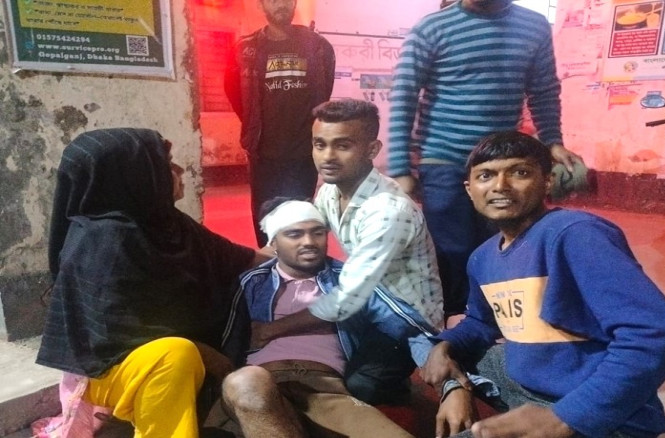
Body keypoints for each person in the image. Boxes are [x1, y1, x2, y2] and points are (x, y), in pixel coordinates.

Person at [421, 131, 665, 438]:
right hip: (530, 388)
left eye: (520, 173)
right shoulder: (483, 258)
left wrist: (565, 418)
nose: (500, 186)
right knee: (435, 352)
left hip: (596, 417)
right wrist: (445, 347)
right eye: (486, 176)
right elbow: (482, 322)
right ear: (469, 189)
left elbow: (656, 332)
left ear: (547, 181)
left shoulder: (574, 234)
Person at [34, 128, 262, 437]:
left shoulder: (165, 223)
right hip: (109, 369)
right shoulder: (104, 240)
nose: (179, 170)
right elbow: (117, 339)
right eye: (165, 163)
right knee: (174, 357)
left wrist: (301, 243)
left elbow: (241, 258)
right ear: (133, 176)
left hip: (160, 356)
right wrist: (211, 356)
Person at [387, 0, 583, 321]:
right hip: (443, 159)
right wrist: (399, 167)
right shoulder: (432, 29)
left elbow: (544, 90)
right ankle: (454, 321)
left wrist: (553, 142)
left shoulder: (534, 26)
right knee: (451, 249)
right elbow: (404, 94)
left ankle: (493, 319)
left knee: (503, 242)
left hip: (502, 162)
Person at [220, 198, 475, 438]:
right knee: (247, 382)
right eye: (294, 234)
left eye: (317, 232)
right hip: (257, 385)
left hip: (325, 390)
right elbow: (225, 336)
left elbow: (408, 327)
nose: (308, 241)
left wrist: (449, 386)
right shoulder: (251, 282)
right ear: (273, 242)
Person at [250, 99, 445, 405]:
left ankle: (402, 389)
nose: (327, 156)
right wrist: (237, 267)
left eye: (342, 146)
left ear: (372, 149)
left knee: (358, 386)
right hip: (363, 304)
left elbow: (346, 300)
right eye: (320, 144)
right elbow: (295, 239)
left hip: (403, 320)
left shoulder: (387, 211)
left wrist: (269, 330)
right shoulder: (331, 190)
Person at [224, 0, 335, 247]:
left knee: (301, 220)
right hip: (263, 154)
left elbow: (324, 92)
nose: (281, 5)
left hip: (303, 153)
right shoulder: (245, 49)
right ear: (261, 5)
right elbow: (234, 93)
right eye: (273, 0)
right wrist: (253, 124)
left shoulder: (319, 47)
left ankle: (297, 269)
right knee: (265, 222)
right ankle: (269, 267)